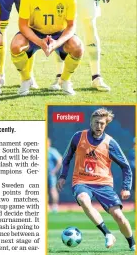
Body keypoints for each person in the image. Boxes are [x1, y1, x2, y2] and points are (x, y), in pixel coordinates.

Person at [57, 108, 135, 251]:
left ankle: (132, 244)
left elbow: (125, 166)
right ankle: (108, 234)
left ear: (106, 125)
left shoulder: (110, 142)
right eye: (96, 123)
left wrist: (126, 187)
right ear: (91, 122)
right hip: (81, 181)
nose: (99, 126)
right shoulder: (78, 137)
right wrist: (62, 176)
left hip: (104, 184)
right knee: (83, 199)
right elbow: (67, 158)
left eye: (102, 124)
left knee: (118, 216)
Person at [10, 0, 84, 95]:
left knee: (78, 47)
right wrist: (39, 42)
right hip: (35, 32)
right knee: (16, 45)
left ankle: (65, 81)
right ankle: (26, 80)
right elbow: (23, 25)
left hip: (58, 34)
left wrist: (56, 43)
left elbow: (71, 26)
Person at [47, 138, 62, 213]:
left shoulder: (52, 151)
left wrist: (55, 170)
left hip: (50, 174)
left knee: (53, 190)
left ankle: (55, 206)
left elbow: (60, 160)